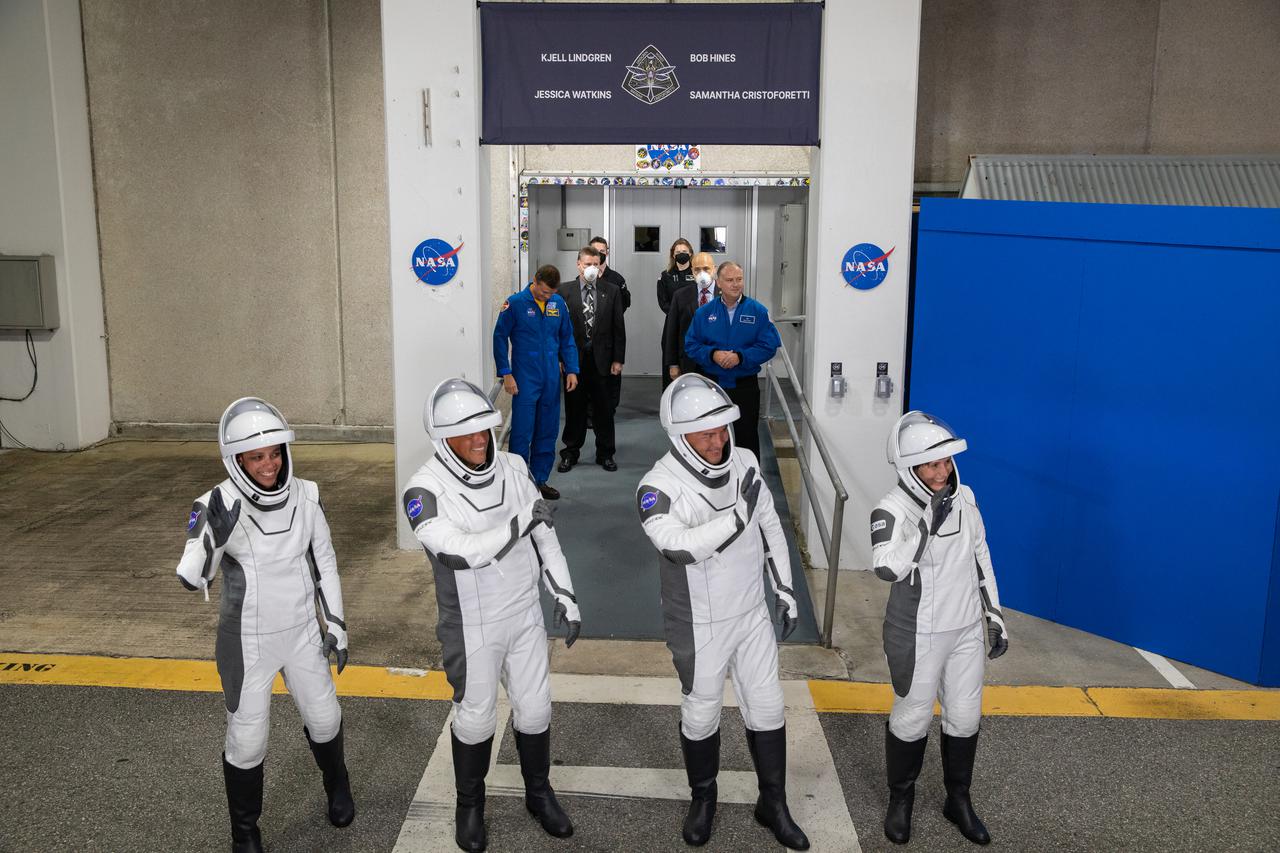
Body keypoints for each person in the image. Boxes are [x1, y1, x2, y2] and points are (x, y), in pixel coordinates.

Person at [403, 378, 582, 853]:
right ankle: (470, 805)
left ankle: (539, 794)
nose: (481, 440)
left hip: (524, 612)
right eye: (469, 434)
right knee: (477, 718)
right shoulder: (422, 490)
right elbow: (461, 552)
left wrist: (564, 593)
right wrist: (519, 522)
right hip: (471, 622)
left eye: (485, 430)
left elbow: (544, 537)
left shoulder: (513, 466)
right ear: (443, 439)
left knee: (536, 709)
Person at [635, 374, 809, 851]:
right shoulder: (656, 486)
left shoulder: (745, 461)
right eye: (705, 434)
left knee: (769, 707)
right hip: (699, 621)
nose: (717, 442)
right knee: (701, 713)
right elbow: (678, 546)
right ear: (680, 436)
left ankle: (773, 802)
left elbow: (769, 524)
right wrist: (736, 516)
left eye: (722, 430)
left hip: (752, 612)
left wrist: (786, 589)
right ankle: (703, 799)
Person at [175, 397, 354, 853]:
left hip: (302, 633)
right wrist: (212, 539)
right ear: (236, 459)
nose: (270, 464)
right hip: (246, 641)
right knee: (247, 739)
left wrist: (336, 625)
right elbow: (191, 577)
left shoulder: (308, 494)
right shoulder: (214, 502)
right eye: (257, 456)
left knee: (325, 718)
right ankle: (245, 832)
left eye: (275, 452)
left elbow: (325, 565)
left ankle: (338, 787)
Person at [871, 411, 1008, 846]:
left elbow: (980, 555)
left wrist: (995, 614)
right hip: (919, 632)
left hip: (965, 628)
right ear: (910, 468)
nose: (941, 471)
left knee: (965, 718)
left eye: (945, 461)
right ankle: (901, 799)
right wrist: (927, 523)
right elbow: (886, 567)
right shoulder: (889, 509)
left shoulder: (965, 497)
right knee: (912, 718)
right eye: (931, 464)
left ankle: (958, 800)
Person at [493, 264, 579, 500]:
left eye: (551, 293)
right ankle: (519, 486)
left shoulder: (557, 304)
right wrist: (506, 373)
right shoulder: (515, 304)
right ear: (535, 281)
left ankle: (539, 481)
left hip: (551, 377)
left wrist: (571, 369)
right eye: (543, 292)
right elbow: (499, 338)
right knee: (522, 433)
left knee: (547, 431)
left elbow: (566, 337)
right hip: (525, 378)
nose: (547, 296)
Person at [683, 261, 780, 460]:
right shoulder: (704, 313)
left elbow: (769, 346)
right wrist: (713, 354)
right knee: (713, 437)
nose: (736, 284)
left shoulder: (757, 311)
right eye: (729, 280)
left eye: (739, 279)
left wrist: (740, 357)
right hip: (712, 385)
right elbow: (691, 345)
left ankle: (750, 479)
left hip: (745, 386)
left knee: (747, 436)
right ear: (718, 282)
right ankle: (717, 477)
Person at [558, 246, 625, 473]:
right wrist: (560, 360)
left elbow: (618, 327)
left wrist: (618, 359)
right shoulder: (563, 292)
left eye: (596, 264)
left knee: (604, 410)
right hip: (573, 361)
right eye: (588, 264)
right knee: (574, 408)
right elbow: (557, 330)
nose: (592, 269)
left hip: (603, 360)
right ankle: (570, 452)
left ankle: (606, 453)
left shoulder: (612, 290)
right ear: (578, 265)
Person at [662, 251, 717, 384]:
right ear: (692, 271)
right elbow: (672, 331)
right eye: (697, 269)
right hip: (688, 362)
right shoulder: (680, 296)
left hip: (718, 362)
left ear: (714, 269)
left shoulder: (726, 294)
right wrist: (673, 363)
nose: (701, 273)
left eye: (706, 268)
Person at [590, 236, 629, 412]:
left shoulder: (616, 279)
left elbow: (625, 303)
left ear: (607, 252)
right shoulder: (581, 277)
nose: (599, 254)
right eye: (595, 251)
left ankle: (609, 410)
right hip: (589, 338)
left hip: (610, 336)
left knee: (610, 378)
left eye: (602, 251)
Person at [657, 238, 697, 390]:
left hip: (694, 324)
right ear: (673, 255)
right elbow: (663, 302)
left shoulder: (696, 274)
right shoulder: (665, 276)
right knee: (672, 366)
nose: (681, 254)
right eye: (678, 252)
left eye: (684, 252)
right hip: (673, 326)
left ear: (691, 254)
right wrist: (678, 315)